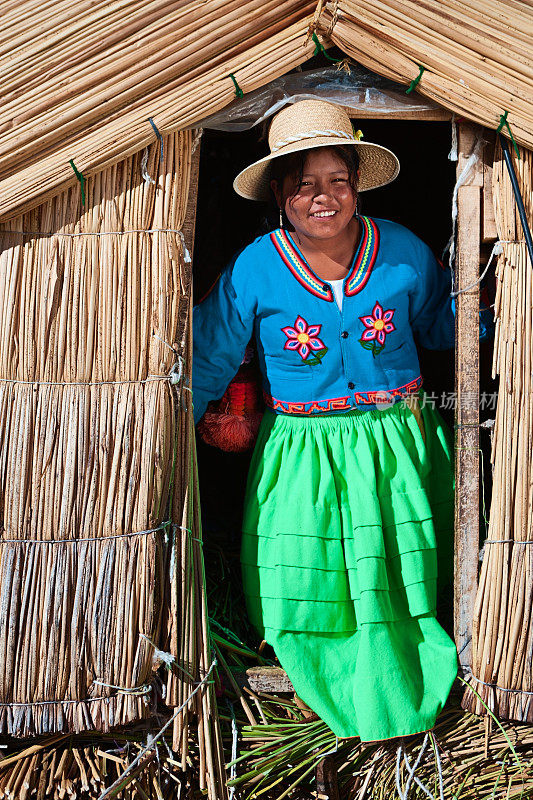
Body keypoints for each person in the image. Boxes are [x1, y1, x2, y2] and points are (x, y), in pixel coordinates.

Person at [192, 99, 458, 742]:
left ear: (357, 185)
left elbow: (445, 329)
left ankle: (405, 675)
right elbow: (211, 352)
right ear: (279, 193)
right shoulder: (255, 267)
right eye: (304, 183)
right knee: (300, 576)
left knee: (402, 577)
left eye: (337, 180)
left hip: (396, 443)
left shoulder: (400, 252)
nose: (323, 197)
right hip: (301, 450)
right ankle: (320, 679)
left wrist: (499, 307)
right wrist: (181, 418)